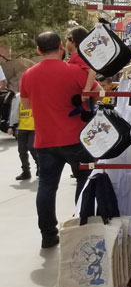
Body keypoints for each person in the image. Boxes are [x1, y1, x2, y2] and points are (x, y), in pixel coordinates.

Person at [19, 31, 90, 249]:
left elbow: (27, 105)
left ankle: (48, 234)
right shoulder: (74, 71)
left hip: (45, 140)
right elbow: (94, 91)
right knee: (84, 179)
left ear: (39, 50)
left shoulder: (28, 75)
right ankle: (81, 225)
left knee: (47, 186)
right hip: (75, 138)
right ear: (61, 46)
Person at [13, 95, 38, 180]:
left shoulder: (35, 95)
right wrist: (11, 126)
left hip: (33, 128)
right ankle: (26, 172)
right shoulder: (18, 97)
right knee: (22, 151)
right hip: (22, 128)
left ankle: (39, 167)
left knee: (32, 147)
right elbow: (14, 111)